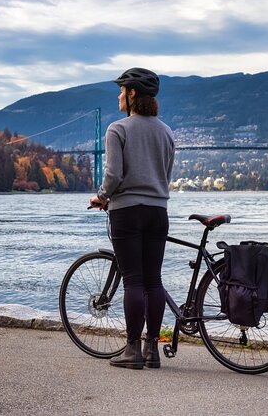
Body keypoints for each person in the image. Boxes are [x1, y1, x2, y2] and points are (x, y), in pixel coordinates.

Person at [89, 67, 175, 369]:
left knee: (133, 282)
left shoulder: (117, 129)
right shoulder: (167, 132)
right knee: (154, 280)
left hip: (127, 212)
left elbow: (113, 175)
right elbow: (165, 174)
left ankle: (132, 350)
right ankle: (152, 350)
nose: (118, 95)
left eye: (121, 89)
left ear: (132, 93)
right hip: (157, 211)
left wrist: (102, 197)